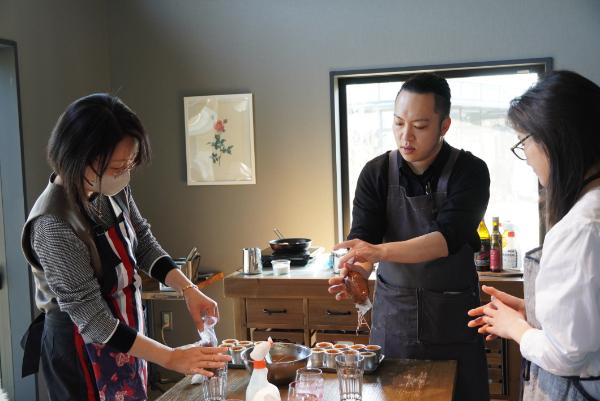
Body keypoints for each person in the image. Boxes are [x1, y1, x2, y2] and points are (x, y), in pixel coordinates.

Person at [20, 93, 231, 401]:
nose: (123, 175)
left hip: (124, 331)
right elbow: (92, 319)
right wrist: (171, 357)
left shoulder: (108, 188)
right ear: (79, 157)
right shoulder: (53, 223)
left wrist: (188, 289)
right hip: (80, 347)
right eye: (117, 167)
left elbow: (142, 241)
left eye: (129, 164)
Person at [328, 73, 491, 400]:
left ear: (444, 126)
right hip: (394, 325)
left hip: (453, 324)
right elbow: (363, 240)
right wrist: (355, 273)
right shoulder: (375, 173)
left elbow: (446, 239)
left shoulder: (470, 171)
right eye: (398, 123)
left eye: (419, 126)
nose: (406, 135)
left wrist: (380, 252)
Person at [468, 70, 600, 401]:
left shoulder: (581, 227)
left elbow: (566, 354)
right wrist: (535, 312)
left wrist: (515, 327)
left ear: (554, 139)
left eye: (524, 141)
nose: (525, 156)